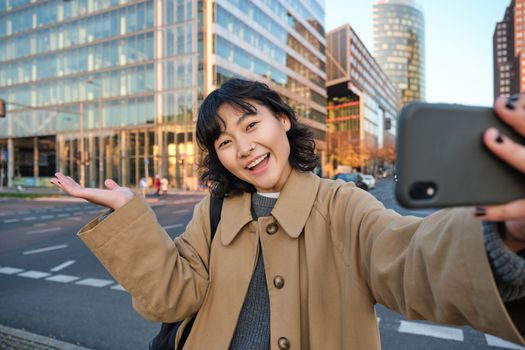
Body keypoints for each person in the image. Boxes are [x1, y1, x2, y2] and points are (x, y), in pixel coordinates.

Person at [51, 79, 525, 349]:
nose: (244, 148)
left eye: (251, 124)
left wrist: (502, 235)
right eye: (225, 142)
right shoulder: (213, 212)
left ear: (283, 119)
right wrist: (130, 217)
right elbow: (171, 299)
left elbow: (411, 263)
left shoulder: (344, 205)